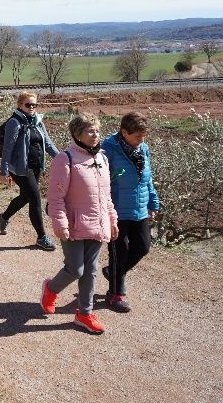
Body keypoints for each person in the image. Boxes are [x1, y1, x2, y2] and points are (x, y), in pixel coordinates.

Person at [40, 113, 119, 335]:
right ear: (77, 134)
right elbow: (55, 197)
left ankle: (84, 313)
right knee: (75, 269)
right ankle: (50, 288)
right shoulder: (65, 159)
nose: (96, 135)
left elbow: (107, 196)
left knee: (91, 271)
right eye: (90, 131)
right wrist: (60, 224)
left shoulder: (102, 159)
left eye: (97, 130)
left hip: (98, 224)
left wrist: (112, 220)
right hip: (73, 224)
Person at [101, 112, 160, 313]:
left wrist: (153, 202)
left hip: (140, 208)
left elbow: (148, 179)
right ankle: (116, 293)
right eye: (138, 136)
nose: (141, 140)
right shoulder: (107, 150)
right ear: (124, 132)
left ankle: (113, 273)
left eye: (144, 136)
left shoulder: (144, 149)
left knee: (143, 247)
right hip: (116, 210)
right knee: (119, 252)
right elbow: (100, 182)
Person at [0, 92, 60, 251]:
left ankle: (4, 217)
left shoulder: (38, 121)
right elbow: (7, 148)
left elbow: (48, 143)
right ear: (20, 105)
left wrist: (63, 158)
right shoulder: (14, 123)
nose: (32, 108)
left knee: (26, 196)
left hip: (36, 166)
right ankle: (41, 237)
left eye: (34, 105)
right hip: (20, 168)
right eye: (28, 105)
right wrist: (4, 170)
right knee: (35, 198)